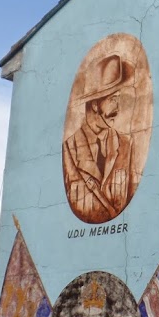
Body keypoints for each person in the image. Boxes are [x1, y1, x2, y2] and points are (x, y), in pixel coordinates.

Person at [63, 53, 138, 223]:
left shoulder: (125, 145)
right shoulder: (68, 149)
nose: (118, 108)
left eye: (119, 100)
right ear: (95, 104)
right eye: (113, 100)